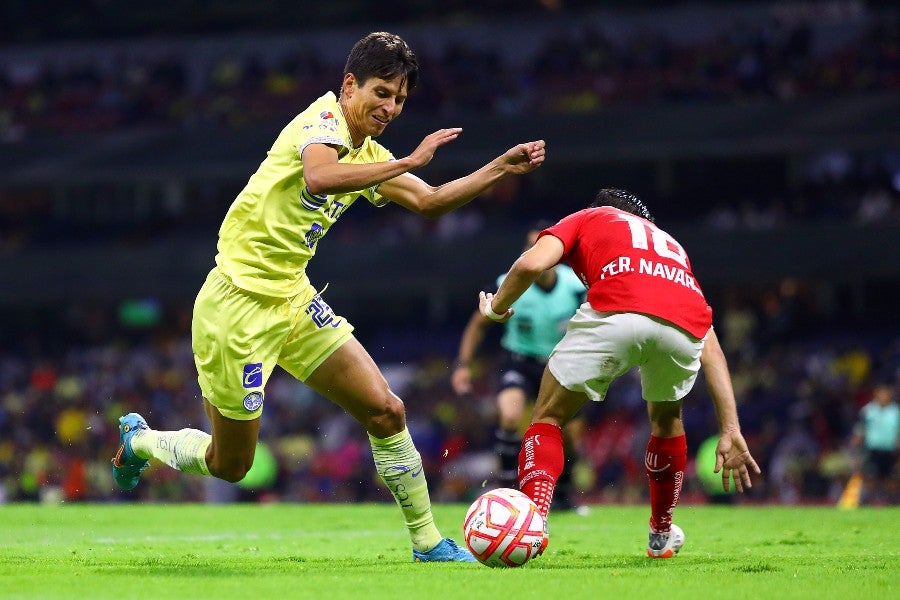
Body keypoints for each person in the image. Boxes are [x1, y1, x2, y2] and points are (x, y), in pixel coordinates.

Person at [111, 31, 546, 563]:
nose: (389, 107)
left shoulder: (365, 151)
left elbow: (429, 202)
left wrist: (499, 168)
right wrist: (407, 161)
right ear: (348, 85)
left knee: (386, 410)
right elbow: (319, 178)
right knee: (231, 466)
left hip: (292, 299)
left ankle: (428, 542)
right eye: (381, 93)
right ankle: (141, 442)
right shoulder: (321, 123)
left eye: (400, 100)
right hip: (236, 309)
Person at [477, 188, 760, 559]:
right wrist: (730, 429)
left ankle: (534, 522)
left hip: (618, 309)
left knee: (548, 415)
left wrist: (497, 309)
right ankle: (660, 534)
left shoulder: (589, 217)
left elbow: (531, 264)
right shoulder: (671, 245)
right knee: (666, 419)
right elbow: (713, 348)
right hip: (683, 329)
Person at [451, 221, 586, 508]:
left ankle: (564, 493)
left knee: (570, 435)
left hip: (561, 364)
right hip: (518, 361)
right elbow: (478, 324)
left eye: (541, 245)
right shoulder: (508, 283)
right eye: (530, 245)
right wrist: (463, 364)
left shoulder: (576, 286)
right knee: (510, 416)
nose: (535, 251)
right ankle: (504, 487)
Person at [851, 378, 899, 505]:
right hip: (872, 450)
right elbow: (860, 429)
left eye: (886, 393)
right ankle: (867, 504)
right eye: (881, 393)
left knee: (892, 480)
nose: (884, 396)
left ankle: (891, 504)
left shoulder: (896, 412)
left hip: (890, 451)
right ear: (876, 394)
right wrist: (856, 448)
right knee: (870, 478)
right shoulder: (868, 411)